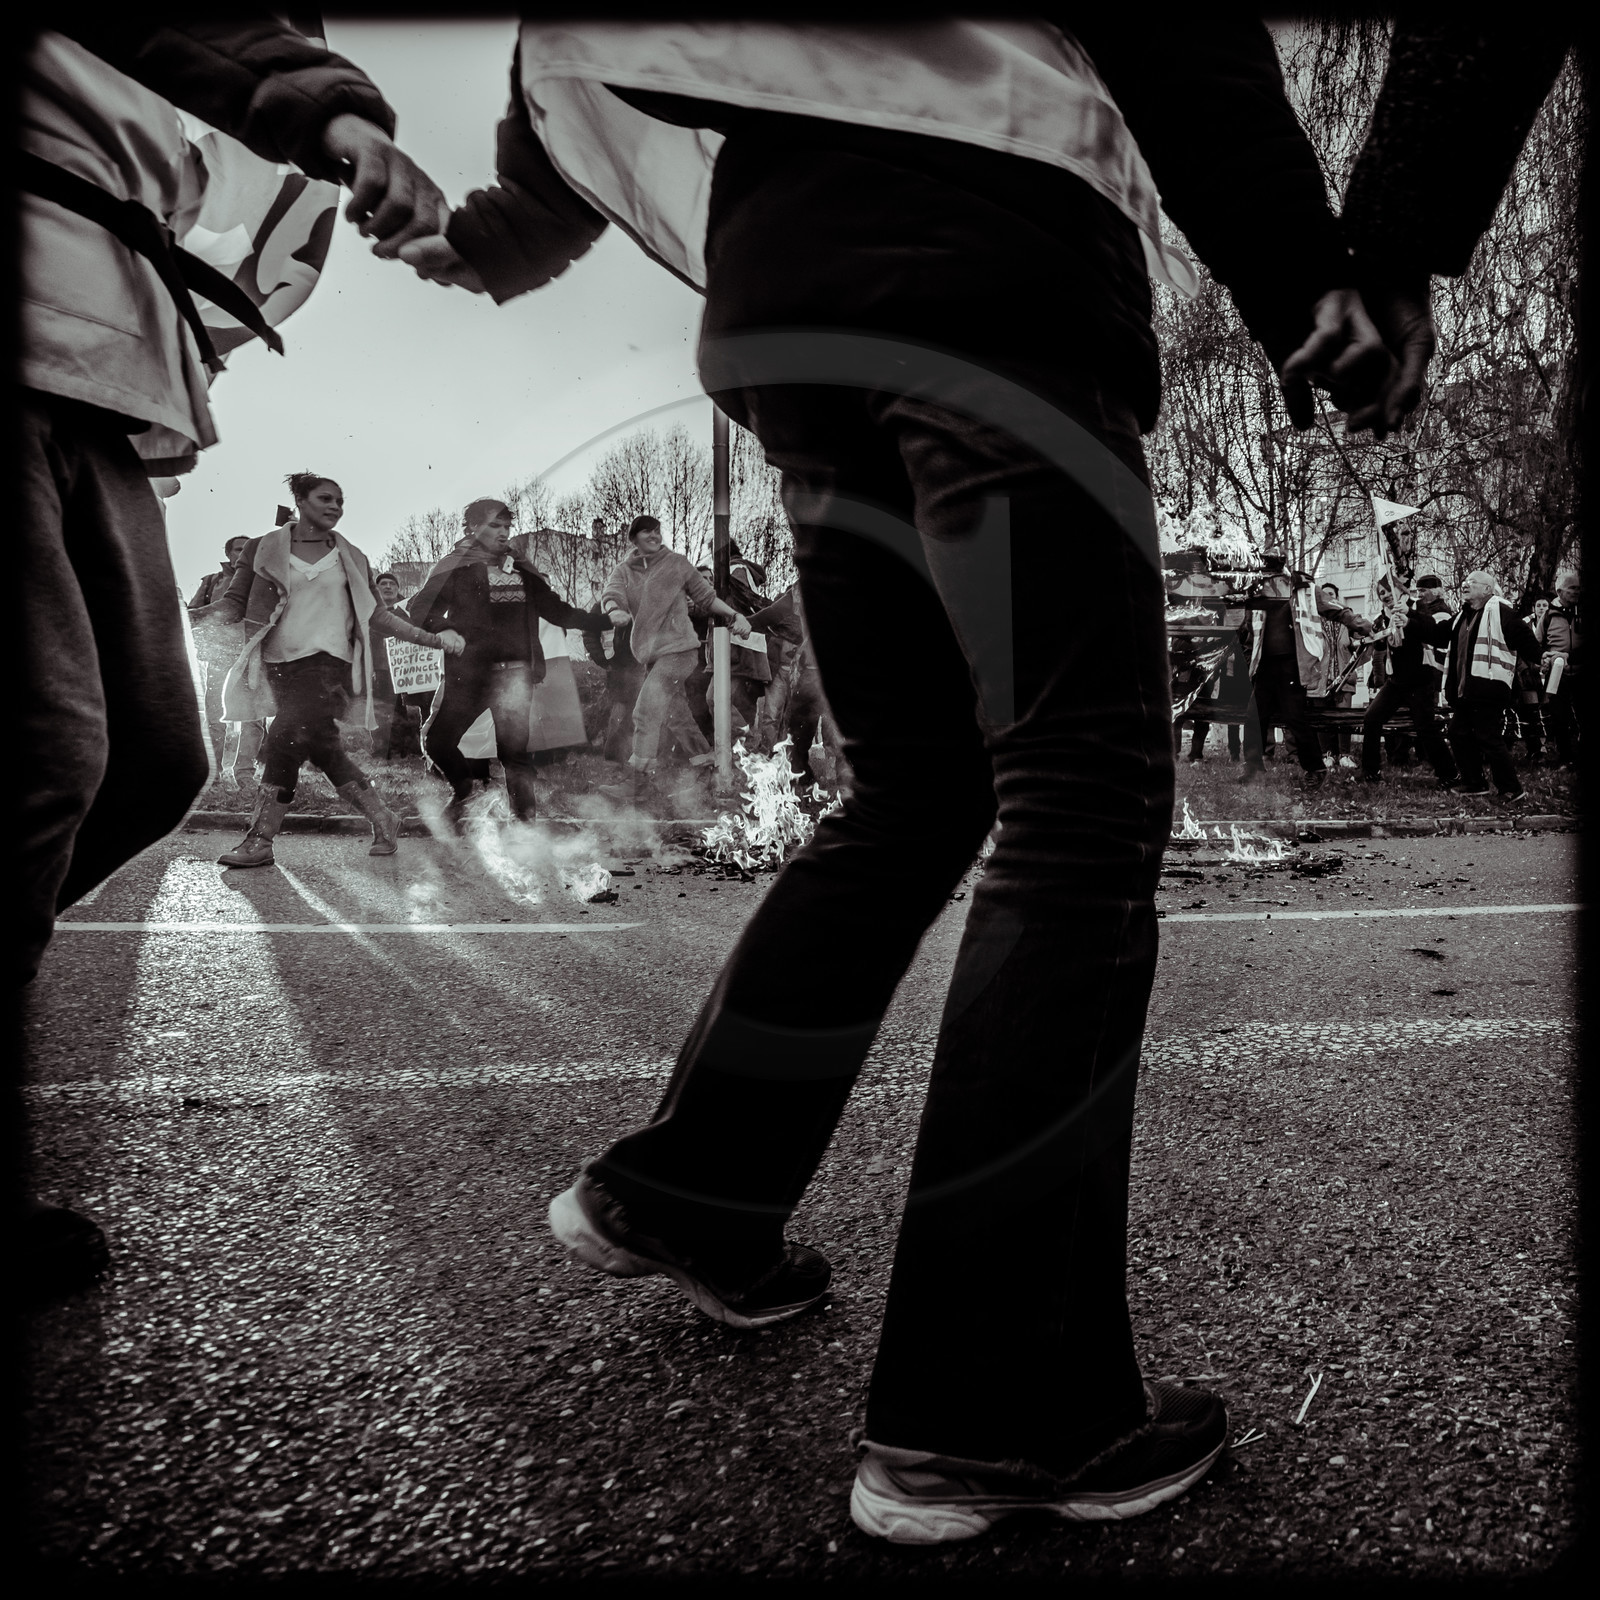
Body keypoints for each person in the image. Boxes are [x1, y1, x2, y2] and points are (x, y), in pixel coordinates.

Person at [400, 15, 1398, 1543]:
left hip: (790, 300)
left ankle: (694, 1190)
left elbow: (570, 80)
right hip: (988, 261)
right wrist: (1295, 263)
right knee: (1078, 798)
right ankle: (993, 1410)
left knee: (919, 788)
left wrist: (495, 234)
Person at [15, 16, 449, 1294]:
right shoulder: (269, 551)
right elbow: (238, 597)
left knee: (148, 765)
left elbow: (387, 614)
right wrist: (330, 106)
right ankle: (293, 834)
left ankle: (326, 823)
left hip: (99, 376)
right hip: (43, 342)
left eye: (331, 505)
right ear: (294, 505)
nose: (324, 514)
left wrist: (411, 641)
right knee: (47, 756)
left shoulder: (361, 556)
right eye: (313, 503)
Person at [198, 474, 463, 865]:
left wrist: (434, 639)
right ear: (300, 501)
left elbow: (379, 616)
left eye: (340, 501)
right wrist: (180, 618)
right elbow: (232, 605)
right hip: (278, 668)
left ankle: (260, 840)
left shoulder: (351, 557)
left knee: (285, 740)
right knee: (324, 750)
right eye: (325, 498)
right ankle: (383, 817)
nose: (335, 506)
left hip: (329, 668)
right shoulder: (262, 548)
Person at [406, 500, 609, 831]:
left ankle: (525, 827)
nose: (503, 533)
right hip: (470, 675)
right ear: (471, 528)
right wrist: (444, 628)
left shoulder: (520, 567)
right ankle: (466, 791)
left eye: (506, 527)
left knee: (515, 755)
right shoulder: (454, 566)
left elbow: (557, 610)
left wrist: (605, 621)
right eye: (494, 526)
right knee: (439, 741)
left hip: (516, 675)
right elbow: (419, 609)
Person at [596, 517, 752, 805]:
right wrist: (614, 609)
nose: (654, 535)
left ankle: (638, 785)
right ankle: (709, 772)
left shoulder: (677, 564)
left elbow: (707, 597)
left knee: (645, 711)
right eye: (647, 531)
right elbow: (611, 593)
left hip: (679, 652)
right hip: (651, 657)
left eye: (657, 530)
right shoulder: (624, 570)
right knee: (677, 716)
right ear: (634, 538)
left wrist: (734, 616)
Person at [1238, 558, 1371, 784]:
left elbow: (1338, 610)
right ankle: (1253, 768)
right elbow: (1249, 630)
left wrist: (1363, 626)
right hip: (1265, 666)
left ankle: (1316, 769)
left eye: (1273, 568)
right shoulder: (1257, 593)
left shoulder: (1305, 590)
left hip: (1293, 665)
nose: (1269, 574)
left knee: (1294, 718)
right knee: (1254, 718)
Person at [1439, 571, 1543, 801]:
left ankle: (1511, 790)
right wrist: (1409, 621)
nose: (1464, 585)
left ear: (1487, 589)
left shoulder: (1501, 611)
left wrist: (1542, 657)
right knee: (1458, 733)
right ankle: (1475, 783)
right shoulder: (1462, 617)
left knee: (1488, 737)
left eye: (1471, 583)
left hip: (1489, 687)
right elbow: (1438, 634)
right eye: (1464, 582)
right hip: (1468, 691)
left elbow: (1524, 638)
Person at [1358, 574, 1459, 785]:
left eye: (1387, 590)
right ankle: (1370, 772)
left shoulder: (1417, 606)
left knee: (1426, 728)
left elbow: (1434, 631)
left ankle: (1449, 774)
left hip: (1420, 679)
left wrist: (1408, 617)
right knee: (1372, 718)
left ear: (1400, 590)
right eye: (1381, 593)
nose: (1384, 596)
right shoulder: (1384, 616)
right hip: (1396, 681)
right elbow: (1380, 645)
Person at [189, 535, 269, 788]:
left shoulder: (264, 580)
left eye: (248, 549)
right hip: (220, 656)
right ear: (228, 553)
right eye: (238, 549)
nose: (244, 553)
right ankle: (211, 774)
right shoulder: (213, 581)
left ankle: (245, 773)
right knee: (215, 717)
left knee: (254, 718)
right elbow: (194, 612)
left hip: (253, 655)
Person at [1305, 581, 1367, 767]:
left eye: (1331, 594)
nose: (1327, 598)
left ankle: (1345, 755)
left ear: (1337, 598)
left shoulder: (1346, 623)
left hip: (1344, 678)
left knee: (1344, 717)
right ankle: (1326, 755)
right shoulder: (1312, 623)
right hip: (1320, 680)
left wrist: (1356, 660)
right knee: (1323, 719)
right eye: (1323, 595)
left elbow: (1365, 641)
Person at [582, 617, 647, 765]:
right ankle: (613, 758)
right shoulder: (605, 605)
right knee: (620, 710)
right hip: (617, 668)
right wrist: (602, 659)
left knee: (638, 710)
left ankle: (634, 756)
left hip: (639, 665)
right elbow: (589, 633)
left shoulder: (641, 599)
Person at [1539, 569, 1581, 767]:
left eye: (1579, 589)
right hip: (1557, 674)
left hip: (1581, 672)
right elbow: (1537, 643)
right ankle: (1565, 756)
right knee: (1558, 716)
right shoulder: (1548, 616)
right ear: (1560, 591)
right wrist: (1543, 660)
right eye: (1573, 588)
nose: (1577, 592)